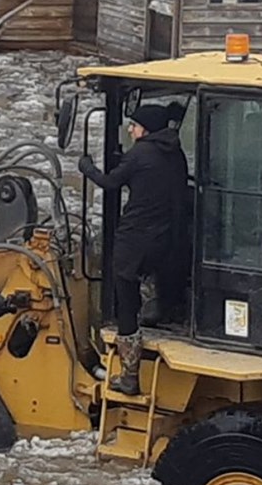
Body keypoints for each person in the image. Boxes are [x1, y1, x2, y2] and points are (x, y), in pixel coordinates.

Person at [78, 102, 188, 395]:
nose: (130, 129)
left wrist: (87, 167)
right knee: (154, 274)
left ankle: (129, 373)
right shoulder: (174, 153)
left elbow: (110, 182)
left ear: (146, 129)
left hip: (135, 237)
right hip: (166, 237)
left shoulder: (140, 153)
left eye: (134, 125)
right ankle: (160, 310)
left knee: (124, 293)